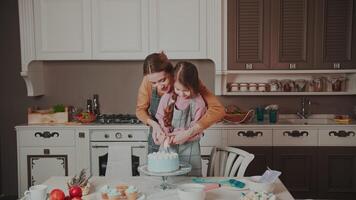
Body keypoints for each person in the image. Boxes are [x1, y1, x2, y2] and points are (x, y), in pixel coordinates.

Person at [136, 52, 225, 154]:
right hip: (158, 137)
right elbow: (140, 110)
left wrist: (189, 133)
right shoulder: (148, 80)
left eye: (163, 80)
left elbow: (218, 110)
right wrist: (155, 126)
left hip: (185, 141)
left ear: (171, 73)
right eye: (154, 83)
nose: (160, 86)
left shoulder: (184, 79)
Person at [155, 61, 207, 176]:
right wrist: (163, 132)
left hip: (190, 149)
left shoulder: (198, 103)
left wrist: (182, 135)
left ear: (194, 86)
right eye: (178, 89)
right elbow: (160, 119)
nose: (182, 94)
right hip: (169, 148)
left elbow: (198, 130)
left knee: (190, 181)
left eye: (186, 90)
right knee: (169, 179)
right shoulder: (167, 97)